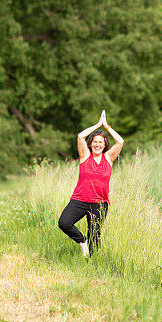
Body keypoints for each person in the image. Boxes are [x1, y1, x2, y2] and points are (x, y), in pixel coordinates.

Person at [57, 110, 123, 257]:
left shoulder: (109, 158)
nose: (98, 144)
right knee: (64, 222)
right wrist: (98, 124)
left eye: (101, 142)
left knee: (95, 239)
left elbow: (120, 141)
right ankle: (82, 241)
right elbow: (80, 136)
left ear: (105, 144)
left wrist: (107, 126)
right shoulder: (85, 156)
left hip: (100, 203)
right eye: (95, 142)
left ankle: (90, 265)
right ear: (91, 144)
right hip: (79, 200)